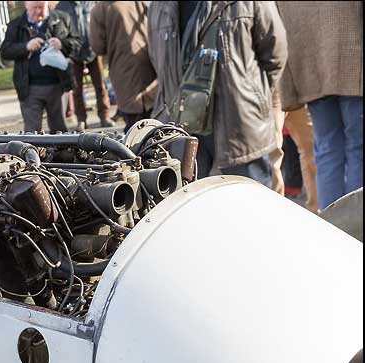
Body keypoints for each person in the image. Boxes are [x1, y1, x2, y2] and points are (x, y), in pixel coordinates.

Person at [148, 2, 286, 185]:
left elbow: (274, 53)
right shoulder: (159, 6)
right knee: (195, 208)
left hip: (240, 126)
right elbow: (157, 60)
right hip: (183, 127)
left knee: (251, 205)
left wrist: (250, 95)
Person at [276, 1, 361, 211]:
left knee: (326, 149)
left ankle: (334, 224)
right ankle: (356, 229)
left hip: (311, 68)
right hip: (354, 60)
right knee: (357, 147)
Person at [0, 1, 81, 134]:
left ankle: (62, 155)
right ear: (26, 6)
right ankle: (34, 155)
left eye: (41, 7)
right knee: (32, 132)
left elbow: (77, 43)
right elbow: (5, 51)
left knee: (60, 131)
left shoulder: (62, 19)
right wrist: (25, 47)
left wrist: (62, 44)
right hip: (29, 87)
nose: (38, 12)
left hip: (58, 85)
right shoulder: (16, 25)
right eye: (34, 8)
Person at [89, 1, 158, 132]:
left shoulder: (100, 9)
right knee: (156, 125)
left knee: (134, 131)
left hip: (123, 73)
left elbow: (98, 47)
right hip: (150, 67)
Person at [55, 0, 113, 130]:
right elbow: (59, 30)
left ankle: (104, 116)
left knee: (100, 86)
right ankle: (81, 119)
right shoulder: (62, 6)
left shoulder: (92, 3)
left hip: (94, 50)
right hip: (73, 53)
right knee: (76, 89)